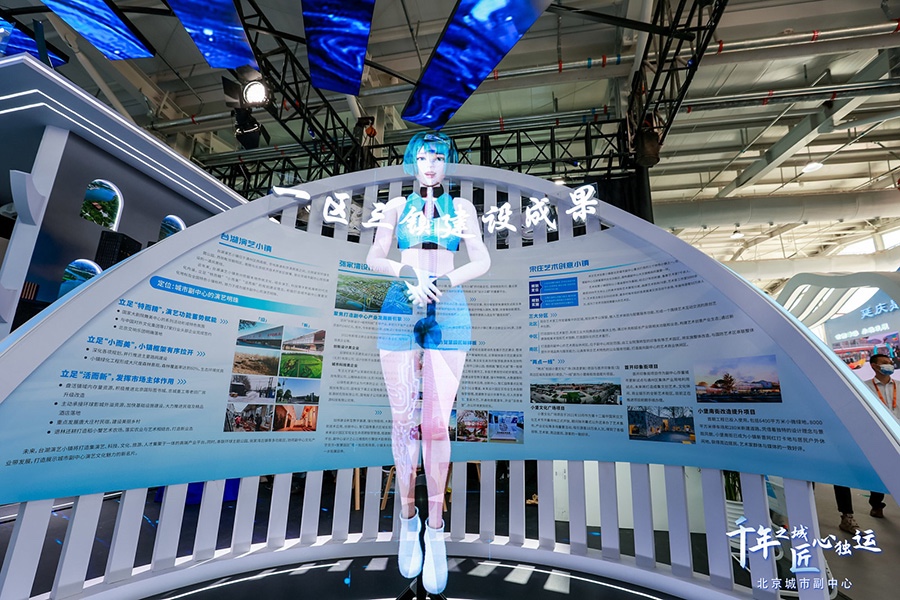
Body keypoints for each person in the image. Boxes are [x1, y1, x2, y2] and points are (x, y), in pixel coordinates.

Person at [366, 131, 491, 594]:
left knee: (437, 424)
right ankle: (406, 518)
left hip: (450, 307)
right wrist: (408, 271)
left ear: (448, 162)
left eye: (439, 156)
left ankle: (435, 528)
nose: (431, 163)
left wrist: (446, 280)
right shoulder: (397, 207)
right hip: (401, 305)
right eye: (424, 156)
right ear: (412, 161)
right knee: (403, 420)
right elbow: (374, 255)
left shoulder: (463, 209)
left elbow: (482, 259)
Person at [834, 353, 898, 532]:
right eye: (884, 363)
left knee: (889, 473)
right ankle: (856, 511)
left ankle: (876, 503)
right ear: (874, 366)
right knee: (869, 472)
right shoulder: (864, 388)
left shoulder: (899, 386)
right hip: (872, 437)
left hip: (896, 437)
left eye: (890, 362)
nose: (889, 365)